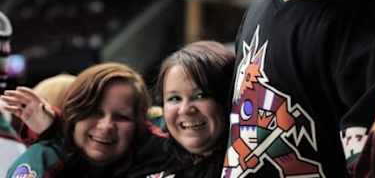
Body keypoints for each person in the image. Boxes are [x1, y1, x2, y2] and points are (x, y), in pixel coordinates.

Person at [4, 41, 235, 177]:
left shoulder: (250, 155)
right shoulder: (45, 160)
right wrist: (52, 128)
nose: (186, 109)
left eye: (200, 95)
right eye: (174, 98)